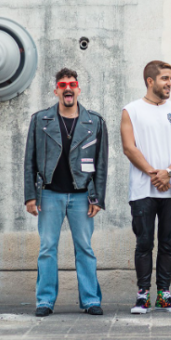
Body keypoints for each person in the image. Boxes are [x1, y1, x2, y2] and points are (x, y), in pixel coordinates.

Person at [24, 68, 108, 317]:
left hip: (82, 195)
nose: (68, 88)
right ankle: (45, 301)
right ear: (56, 90)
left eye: (72, 84)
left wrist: (97, 198)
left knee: (85, 249)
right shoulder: (40, 120)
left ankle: (91, 300)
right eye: (63, 85)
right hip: (49, 194)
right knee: (47, 249)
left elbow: (101, 164)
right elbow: (29, 161)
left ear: (78, 89)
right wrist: (30, 196)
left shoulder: (94, 122)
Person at [121, 60, 171, 314]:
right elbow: (129, 147)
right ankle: (142, 295)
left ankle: (164, 294)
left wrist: (168, 172)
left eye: (170, 78)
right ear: (150, 81)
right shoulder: (131, 110)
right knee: (144, 243)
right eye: (164, 78)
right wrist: (154, 173)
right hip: (143, 189)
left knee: (168, 243)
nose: (169, 83)